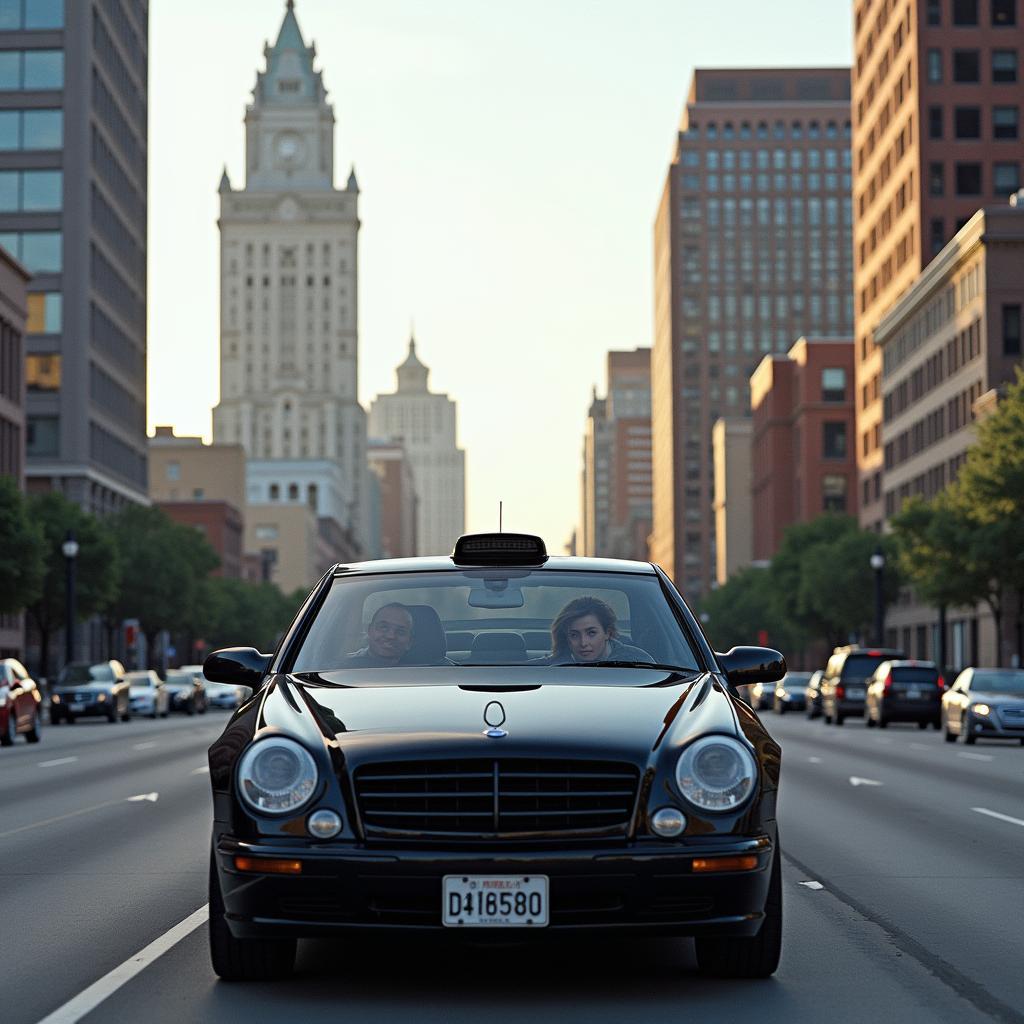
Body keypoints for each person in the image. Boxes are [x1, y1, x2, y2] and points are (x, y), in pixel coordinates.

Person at [546, 596, 654, 665]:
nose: (583, 643)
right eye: (574, 635)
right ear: (567, 637)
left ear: (607, 632)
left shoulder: (638, 661)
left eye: (591, 633)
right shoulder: (553, 667)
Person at [344, 603, 415, 667]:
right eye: (383, 627)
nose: (390, 636)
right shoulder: (343, 668)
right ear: (369, 631)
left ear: (409, 642)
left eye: (400, 632)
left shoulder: (420, 672)